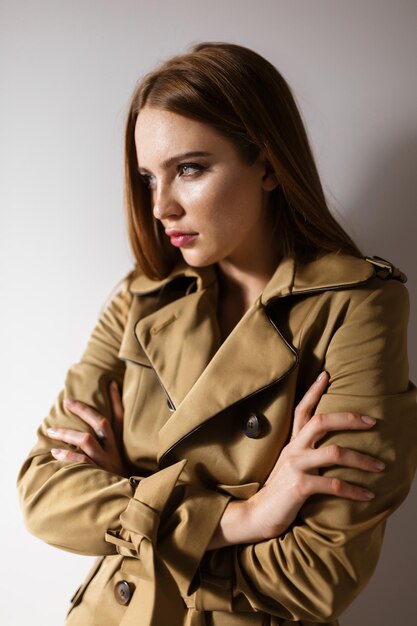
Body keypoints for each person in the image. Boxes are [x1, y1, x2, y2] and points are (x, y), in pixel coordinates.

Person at [17, 42, 417, 626]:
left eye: (190, 169)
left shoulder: (357, 306)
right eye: (148, 178)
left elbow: (318, 574)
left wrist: (127, 504)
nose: (162, 207)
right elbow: (42, 494)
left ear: (270, 165)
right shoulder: (139, 298)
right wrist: (245, 517)